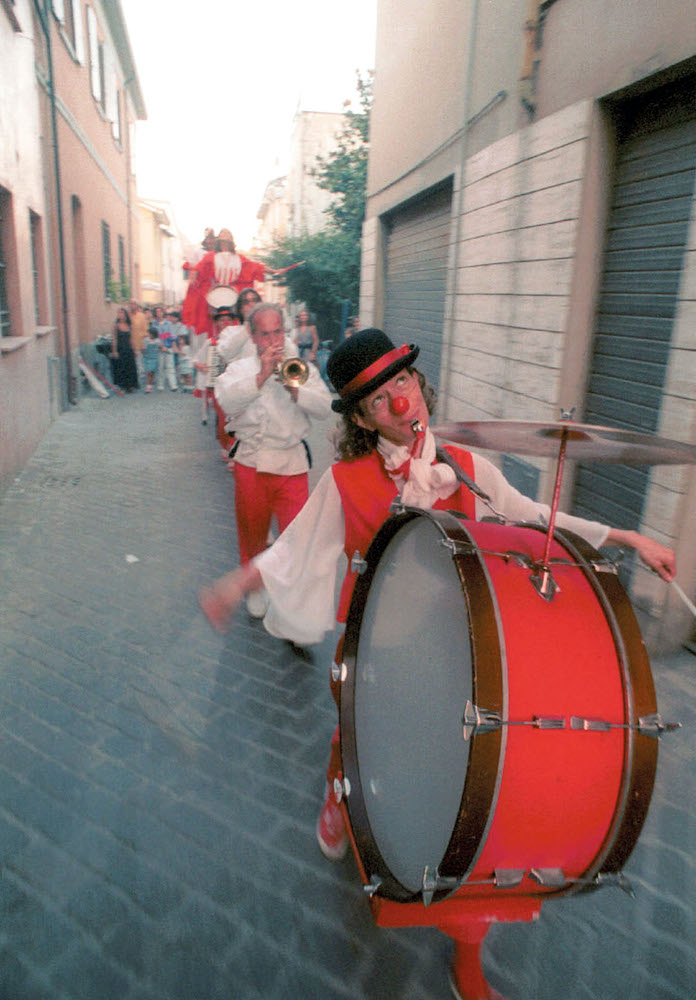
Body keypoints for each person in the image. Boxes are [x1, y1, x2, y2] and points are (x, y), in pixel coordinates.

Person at [199, 329, 676, 860]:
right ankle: (339, 793)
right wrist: (238, 583)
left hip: (453, 635)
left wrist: (626, 538)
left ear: (418, 383)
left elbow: (533, 518)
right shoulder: (345, 480)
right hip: (376, 638)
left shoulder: (469, 471)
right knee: (355, 728)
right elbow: (293, 547)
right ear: (361, 419)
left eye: (402, 382)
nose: (400, 403)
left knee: (449, 735)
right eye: (379, 399)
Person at [212, 303, 332, 618]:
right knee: (252, 533)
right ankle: (256, 590)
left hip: (291, 463)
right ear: (253, 336)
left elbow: (324, 407)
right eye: (265, 334)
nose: (273, 340)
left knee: (297, 536)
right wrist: (262, 376)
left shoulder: (299, 366)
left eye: (277, 331)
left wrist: (296, 391)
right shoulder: (239, 370)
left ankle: (293, 599)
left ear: (285, 330)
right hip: (250, 462)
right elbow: (225, 400)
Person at [182, 228, 281, 337]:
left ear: (231, 242)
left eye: (227, 239)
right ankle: (215, 343)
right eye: (222, 239)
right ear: (219, 242)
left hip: (233, 296)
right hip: (215, 296)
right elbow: (199, 268)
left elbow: (256, 267)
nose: (224, 242)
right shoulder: (210, 256)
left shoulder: (239, 258)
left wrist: (274, 270)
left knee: (236, 322)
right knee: (213, 322)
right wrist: (193, 275)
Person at [110, 307, 139, 392]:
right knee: (121, 367)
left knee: (130, 366)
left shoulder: (129, 325)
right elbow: (114, 339)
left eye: (121, 313)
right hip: (120, 348)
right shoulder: (116, 326)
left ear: (125, 314)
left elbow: (132, 338)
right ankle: (122, 385)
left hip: (128, 348)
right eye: (118, 313)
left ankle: (130, 386)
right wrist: (114, 350)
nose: (120, 314)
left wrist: (135, 350)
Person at [153, 306, 178, 391]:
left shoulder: (169, 324)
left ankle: (173, 385)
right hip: (159, 348)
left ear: (163, 313)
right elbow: (154, 337)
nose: (159, 313)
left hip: (168, 347)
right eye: (157, 312)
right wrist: (161, 346)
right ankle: (160, 385)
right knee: (160, 367)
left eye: (160, 311)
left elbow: (172, 336)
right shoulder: (154, 325)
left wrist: (174, 347)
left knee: (170, 367)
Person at [128, 300, 148, 387]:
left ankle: (139, 382)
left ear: (137, 305)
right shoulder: (127, 316)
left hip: (139, 343)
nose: (132, 305)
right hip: (129, 344)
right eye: (130, 304)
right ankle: (132, 382)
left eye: (133, 304)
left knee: (139, 364)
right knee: (131, 364)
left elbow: (145, 331)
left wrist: (144, 344)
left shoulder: (142, 316)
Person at [142, 326, 161, 392]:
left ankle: (151, 385)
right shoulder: (146, 340)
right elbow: (143, 348)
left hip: (154, 358)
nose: (149, 335)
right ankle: (148, 386)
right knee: (148, 372)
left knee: (152, 372)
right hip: (147, 357)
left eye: (150, 334)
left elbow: (160, 347)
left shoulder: (157, 340)